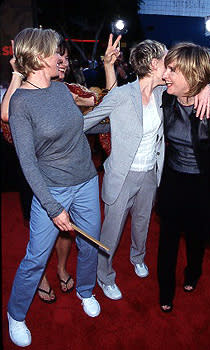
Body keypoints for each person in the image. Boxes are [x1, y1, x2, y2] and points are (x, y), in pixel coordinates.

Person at [6, 27, 119, 347]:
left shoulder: (58, 89)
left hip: (85, 181)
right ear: (40, 57)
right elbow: (27, 163)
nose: (61, 57)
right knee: (35, 257)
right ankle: (15, 314)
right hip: (51, 191)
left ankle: (85, 291)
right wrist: (54, 209)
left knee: (89, 245)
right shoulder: (21, 103)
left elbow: (77, 126)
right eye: (56, 52)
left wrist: (110, 122)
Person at [83, 39, 210, 301]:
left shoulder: (163, 94)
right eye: (167, 60)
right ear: (155, 64)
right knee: (112, 230)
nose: (170, 68)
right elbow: (87, 122)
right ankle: (104, 275)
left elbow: (191, 85)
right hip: (122, 175)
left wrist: (208, 88)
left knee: (142, 223)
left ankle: (137, 257)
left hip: (150, 174)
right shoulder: (122, 95)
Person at [157, 42, 210, 313]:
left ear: (191, 74)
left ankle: (193, 272)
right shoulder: (165, 98)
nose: (165, 74)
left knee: (196, 236)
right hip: (172, 180)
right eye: (167, 68)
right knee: (167, 237)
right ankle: (165, 289)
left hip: (203, 183)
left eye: (172, 70)